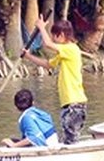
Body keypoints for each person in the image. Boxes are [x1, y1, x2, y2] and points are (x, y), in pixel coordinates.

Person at [23, 16, 88, 144]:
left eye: (54, 36)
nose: (53, 39)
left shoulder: (71, 49)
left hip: (74, 103)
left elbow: (48, 44)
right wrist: (28, 56)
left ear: (62, 35)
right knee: (68, 136)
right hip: (68, 103)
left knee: (71, 139)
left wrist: (41, 27)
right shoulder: (64, 53)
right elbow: (48, 64)